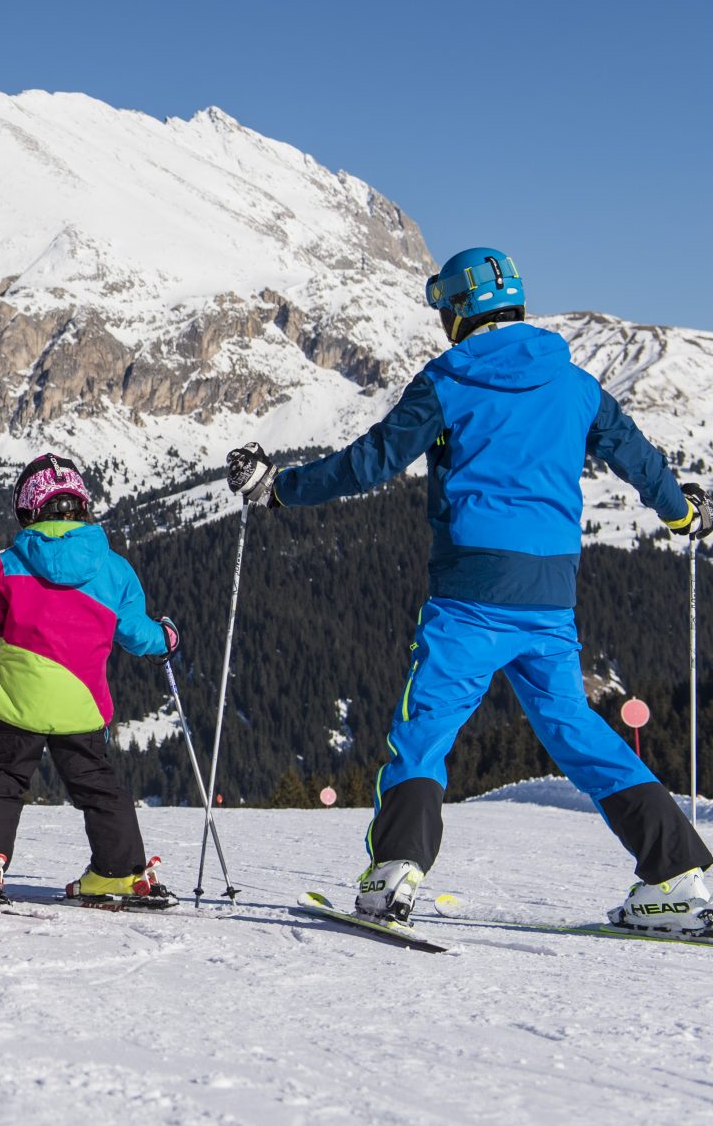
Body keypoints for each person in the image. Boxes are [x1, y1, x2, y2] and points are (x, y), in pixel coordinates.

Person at [227, 246, 713, 935]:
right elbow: (635, 454)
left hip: (470, 595)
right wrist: (684, 513)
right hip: (549, 598)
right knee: (578, 734)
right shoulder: (575, 385)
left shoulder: (448, 379)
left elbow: (372, 460)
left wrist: (279, 488)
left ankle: (393, 874)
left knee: (424, 732)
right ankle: (677, 876)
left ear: (458, 310)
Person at [0, 454, 179, 907]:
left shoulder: (10, 564)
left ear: (28, 510)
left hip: (20, 705)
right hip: (82, 706)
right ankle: (120, 872)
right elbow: (136, 634)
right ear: (82, 506)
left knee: (2, 783)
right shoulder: (114, 569)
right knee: (98, 786)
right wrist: (164, 638)